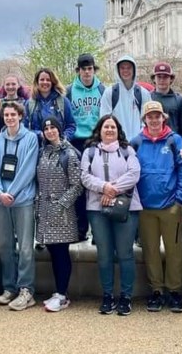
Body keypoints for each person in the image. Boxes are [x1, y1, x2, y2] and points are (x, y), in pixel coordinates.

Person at [80, 114, 141, 316]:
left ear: (118, 131)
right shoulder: (89, 152)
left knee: (125, 254)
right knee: (104, 255)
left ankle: (126, 296)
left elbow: (134, 174)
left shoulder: (127, 150)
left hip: (126, 207)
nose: (109, 130)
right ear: (100, 129)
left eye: (113, 127)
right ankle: (107, 295)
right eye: (106, 127)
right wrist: (103, 187)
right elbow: (85, 177)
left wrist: (112, 190)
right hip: (97, 209)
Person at [132, 101, 182, 313]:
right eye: (150, 117)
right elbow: (131, 172)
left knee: (175, 251)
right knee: (150, 250)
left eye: (157, 116)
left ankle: (174, 291)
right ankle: (156, 290)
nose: (154, 120)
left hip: (170, 206)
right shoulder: (136, 142)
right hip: (146, 207)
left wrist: (179, 199)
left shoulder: (175, 140)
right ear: (144, 119)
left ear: (163, 118)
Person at [0, 101, 39, 311]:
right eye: (6, 115)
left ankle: (26, 289)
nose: (10, 118)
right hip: (2, 200)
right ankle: (9, 287)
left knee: (26, 246)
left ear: (20, 116)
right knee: (6, 245)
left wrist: (13, 192)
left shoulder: (31, 139)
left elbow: (28, 169)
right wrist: (0, 192)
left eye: (13, 114)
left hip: (23, 199)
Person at [34, 116, 83, 312]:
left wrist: (62, 203)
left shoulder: (69, 154)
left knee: (62, 252)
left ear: (59, 130)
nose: (50, 131)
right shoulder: (43, 152)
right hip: (45, 211)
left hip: (62, 213)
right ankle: (58, 291)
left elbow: (78, 184)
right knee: (53, 253)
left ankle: (62, 294)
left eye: (53, 128)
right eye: (46, 129)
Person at [67, 53, 105, 241]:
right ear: (79, 70)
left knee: (97, 185)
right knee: (78, 186)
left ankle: (99, 233)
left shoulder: (102, 89)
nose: (87, 72)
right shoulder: (70, 90)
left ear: (93, 69)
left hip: (96, 141)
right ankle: (81, 229)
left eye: (90, 69)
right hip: (76, 142)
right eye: (84, 69)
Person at [98, 54, 150, 140]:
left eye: (129, 67)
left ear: (134, 70)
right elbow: (104, 120)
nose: (125, 71)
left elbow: (147, 120)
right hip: (116, 143)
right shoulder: (109, 92)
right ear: (118, 70)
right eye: (122, 68)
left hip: (139, 143)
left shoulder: (143, 93)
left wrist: (139, 139)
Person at [24, 68, 75, 143]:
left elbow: (71, 125)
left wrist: (62, 139)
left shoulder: (63, 101)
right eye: (42, 79)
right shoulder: (30, 103)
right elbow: (24, 128)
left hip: (59, 147)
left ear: (53, 82)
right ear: (37, 82)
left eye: (48, 80)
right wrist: (39, 134)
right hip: (37, 146)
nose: (45, 82)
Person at [149, 62, 182, 135]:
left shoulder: (180, 100)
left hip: (173, 140)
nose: (162, 80)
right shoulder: (148, 97)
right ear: (154, 79)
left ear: (171, 79)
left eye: (165, 77)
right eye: (159, 77)